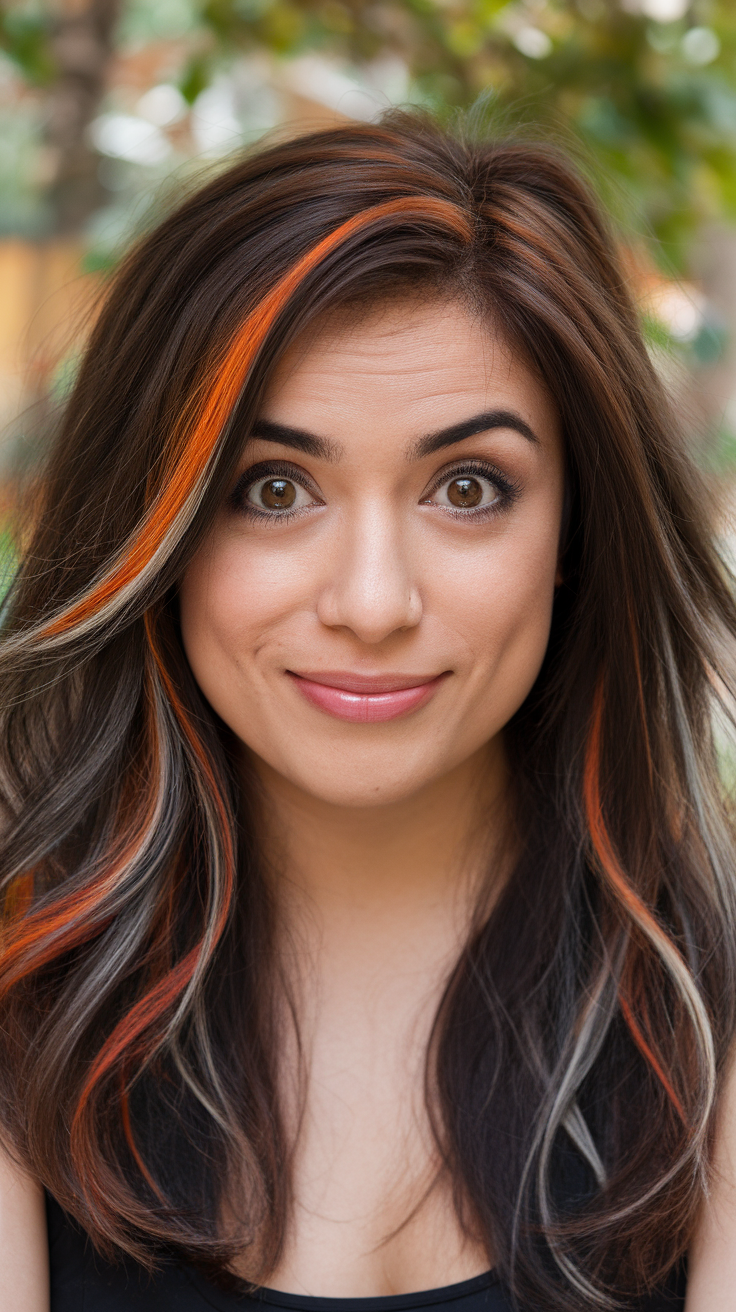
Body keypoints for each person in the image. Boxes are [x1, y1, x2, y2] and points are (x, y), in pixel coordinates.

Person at [0, 110, 733, 1312]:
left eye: (466, 487)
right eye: (273, 488)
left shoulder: (709, 1034)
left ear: (575, 535)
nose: (374, 601)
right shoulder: (24, 1006)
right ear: (158, 534)